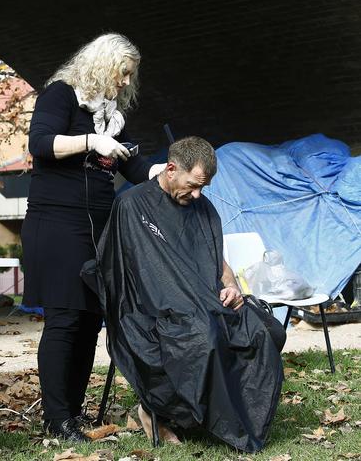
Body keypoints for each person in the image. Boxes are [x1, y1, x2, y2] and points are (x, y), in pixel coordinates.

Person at [92, 136, 285, 452]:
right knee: (202, 337)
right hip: (153, 309)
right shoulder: (131, 205)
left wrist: (231, 286)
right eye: (193, 185)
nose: (197, 194)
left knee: (264, 330)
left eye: (203, 188)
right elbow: (128, 276)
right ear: (170, 169)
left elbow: (216, 258)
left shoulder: (202, 207)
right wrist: (176, 300)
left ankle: (227, 417)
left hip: (204, 301)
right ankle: (158, 413)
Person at [21, 33, 164, 442]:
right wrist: (90, 140)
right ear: (102, 65)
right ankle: (56, 417)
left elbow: (132, 165)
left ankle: (73, 411)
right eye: (122, 73)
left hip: (97, 226)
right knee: (64, 319)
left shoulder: (112, 116)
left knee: (88, 320)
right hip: (56, 222)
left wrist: (160, 173)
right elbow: (41, 143)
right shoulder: (61, 96)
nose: (124, 83)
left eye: (129, 76)